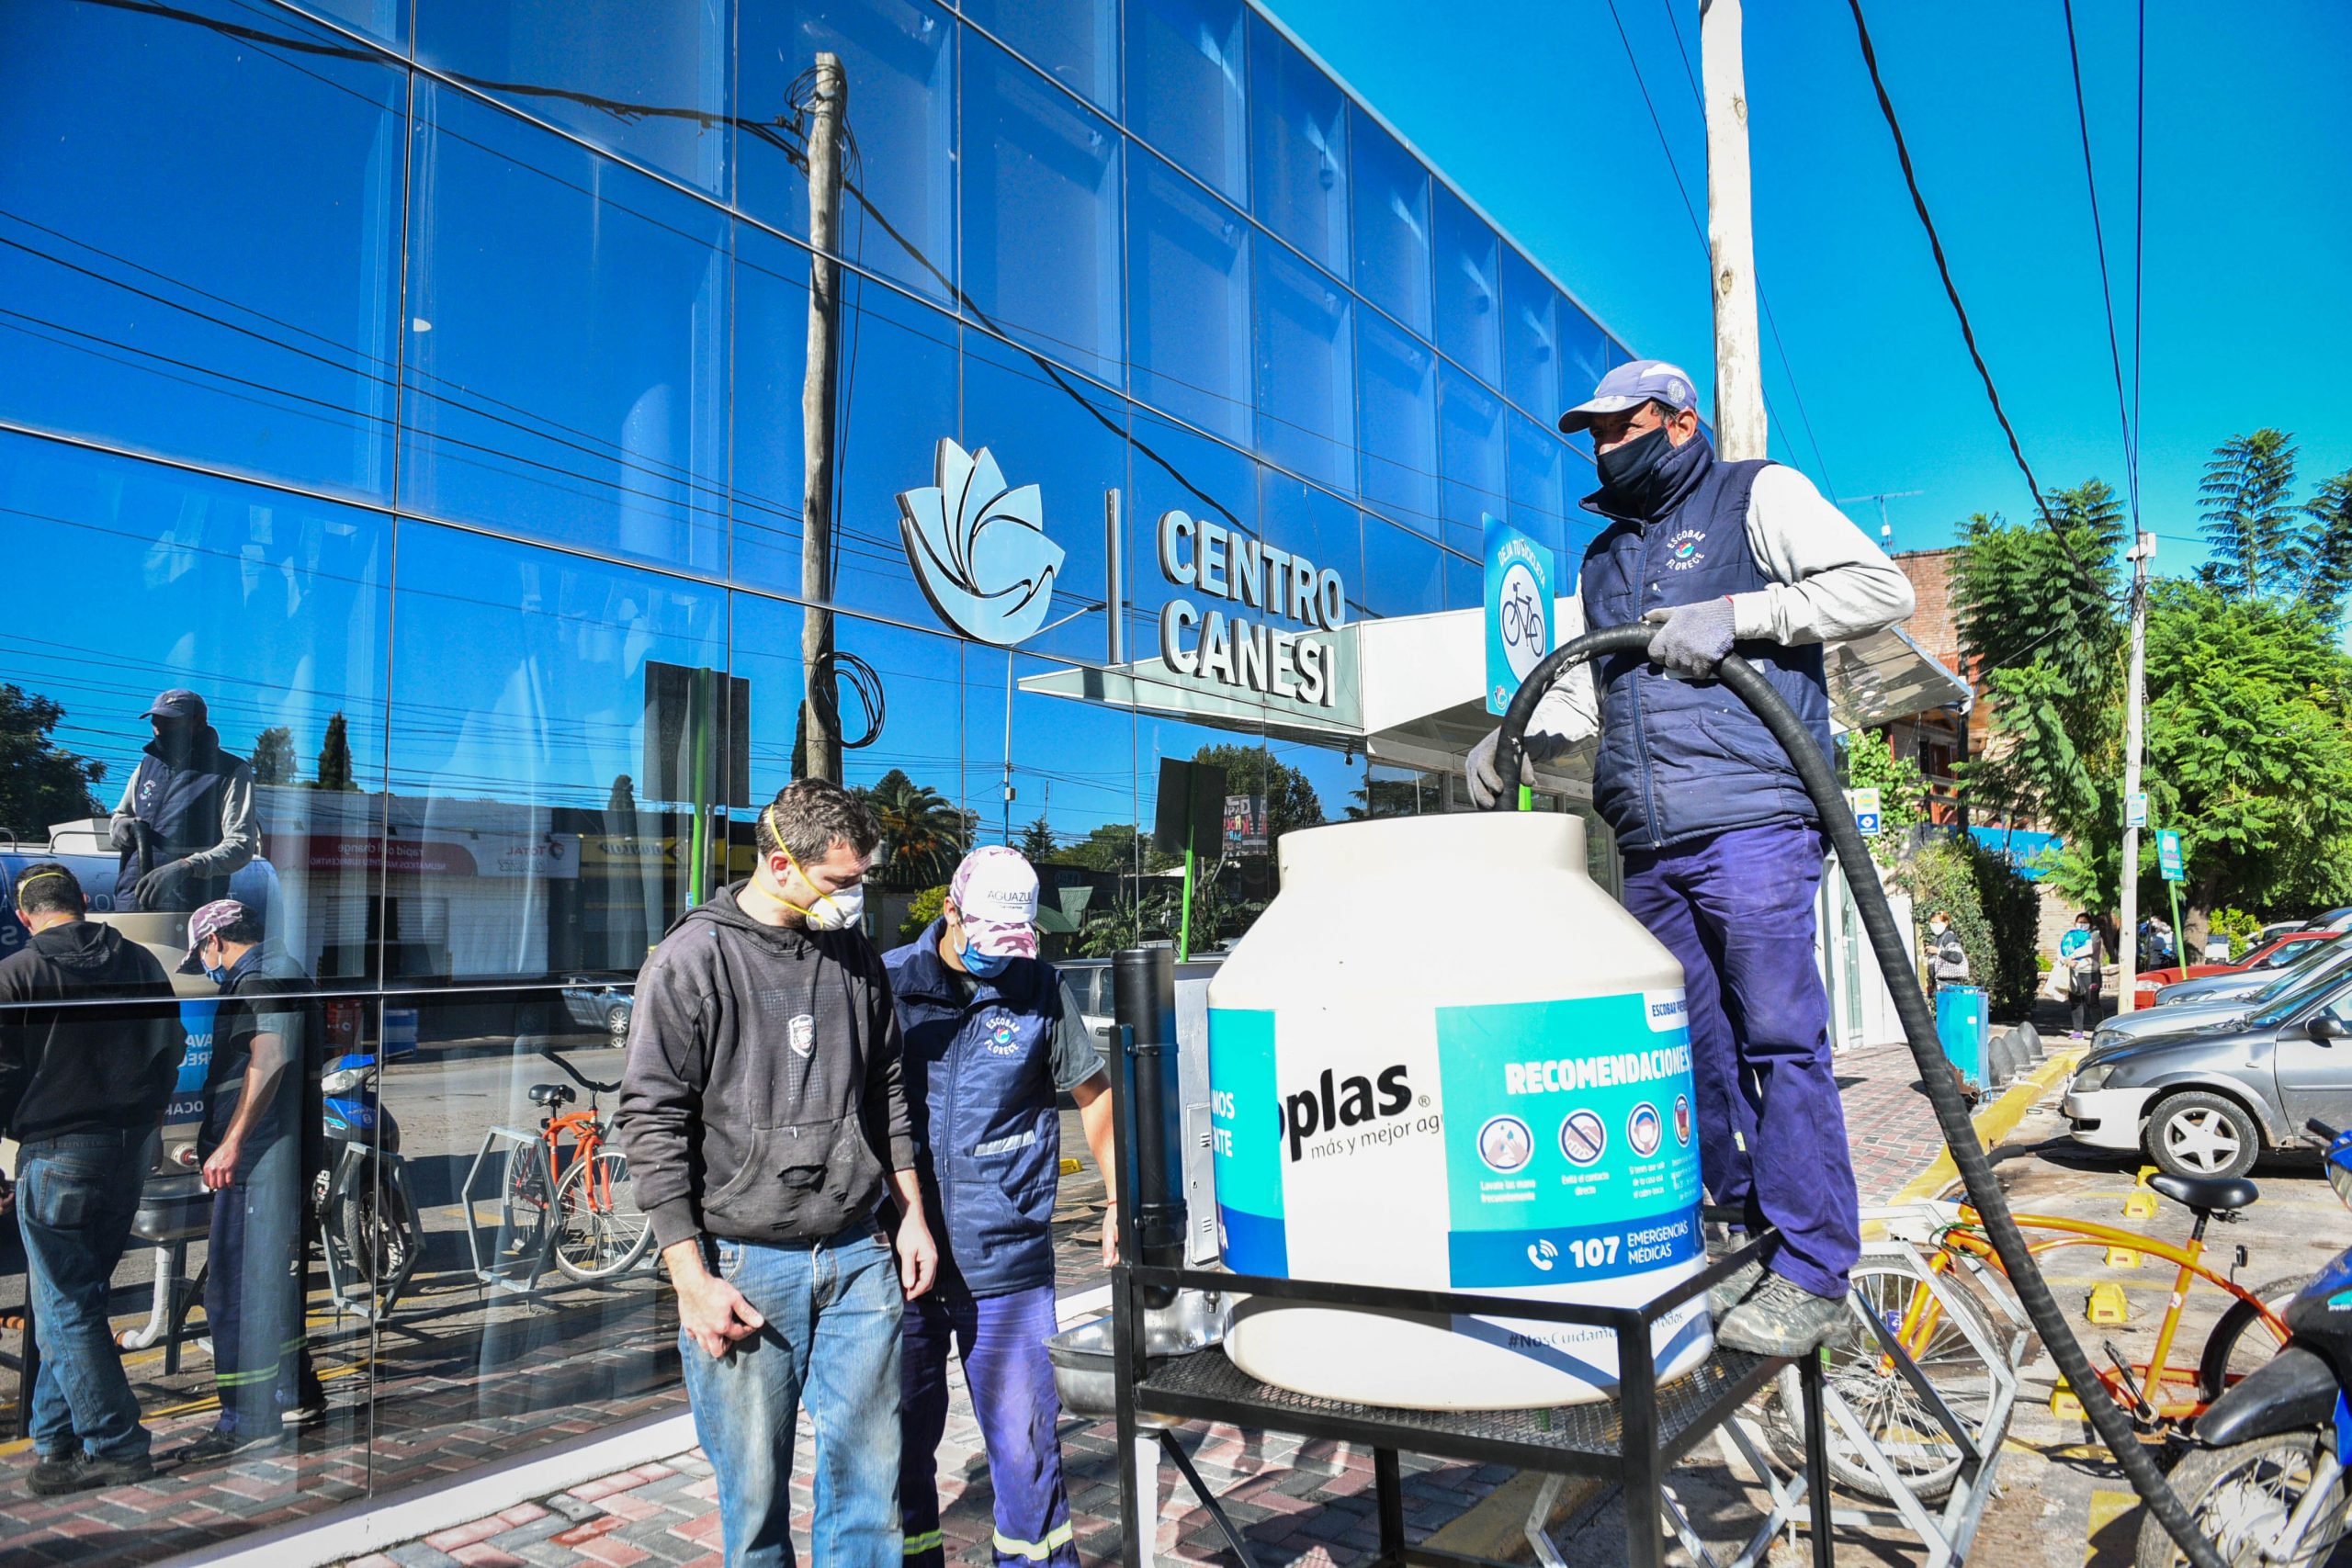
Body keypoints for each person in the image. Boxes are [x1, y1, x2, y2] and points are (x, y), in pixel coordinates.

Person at [1462, 360, 1915, 1356]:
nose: (1604, 446)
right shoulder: (1603, 559)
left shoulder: (1758, 496)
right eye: (1594, 434)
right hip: (1649, 840)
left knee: (1778, 1042)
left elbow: (1879, 589)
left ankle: (1812, 1271)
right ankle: (1750, 1239)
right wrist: (1516, 733)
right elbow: (1594, 694)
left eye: (1622, 427)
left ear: (1678, 421)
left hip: (1753, 818)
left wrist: (1742, 616)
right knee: (1688, 1054)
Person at [617, 779, 938, 1568]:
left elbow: (887, 1088)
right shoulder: (695, 958)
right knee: (755, 1505)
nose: (853, 896)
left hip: (859, 1256)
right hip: (745, 1266)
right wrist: (690, 1277)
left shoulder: (853, 956)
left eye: (859, 878)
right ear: (780, 863)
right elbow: (650, 1119)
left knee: (870, 1490)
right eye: (839, 881)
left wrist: (913, 1214)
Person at [883, 848, 1119, 1568]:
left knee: (1025, 1445)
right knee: (898, 1441)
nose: (999, 960)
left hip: (1009, 1255)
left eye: (1013, 944)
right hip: (904, 1260)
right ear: (950, 913)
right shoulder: (889, 981)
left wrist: (1117, 1197)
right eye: (989, 941)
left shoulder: (1040, 986)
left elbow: (1095, 1093)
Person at [0, 863, 183, 1494]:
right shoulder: (138, 961)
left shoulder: (18, 972)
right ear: (81, 900)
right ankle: (56, 1443)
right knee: (71, 1300)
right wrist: (150, 1119)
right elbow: (170, 1046)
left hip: (57, 1151)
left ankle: (117, 1443)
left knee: (66, 1302)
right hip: (128, 1147)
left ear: (26, 916)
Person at [176, 899, 323, 1462]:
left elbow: (271, 1048)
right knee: (275, 1289)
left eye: (204, 957)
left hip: (259, 1162)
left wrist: (233, 1141)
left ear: (215, 941)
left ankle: (244, 1419)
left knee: (234, 1295)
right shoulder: (291, 970)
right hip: (286, 1157)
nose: (207, 968)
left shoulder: (254, 980)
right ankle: (296, 1393)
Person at [109, 689, 257, 914]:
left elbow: (241, 846)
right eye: (155, 721)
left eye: (169, 722)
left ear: (198, 722)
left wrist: (187, 866)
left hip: (188, 910)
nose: (159, 729)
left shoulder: (230, 770)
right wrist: (122, 828)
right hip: (131, 902)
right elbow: (120, 816)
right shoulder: (146, 766)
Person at [2061, 914, 2106, 1037]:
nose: (2082, 924)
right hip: (2074, 972)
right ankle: (2077, 1030)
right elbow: (2061, 950)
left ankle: (2100, 1030)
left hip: (2090, 973)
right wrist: (2065, 960)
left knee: (2092, 1002)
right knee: (2076, 1001)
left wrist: (2071, 956)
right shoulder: (2070, 936)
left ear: (2090, 924)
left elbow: (2089, 949)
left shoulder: (2094, 935)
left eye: (2085, 922)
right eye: (2079, 922)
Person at [1927, 909, 1971, 993]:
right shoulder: (1936, 940)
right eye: (1932, 923)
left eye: (1937, 923)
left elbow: (1957, 956)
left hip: (1949, 986)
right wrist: (1932, 984)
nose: (1934, 926)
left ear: (1946, 923)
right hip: (1939, 986)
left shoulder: (1949, 937)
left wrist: (1938, 951)